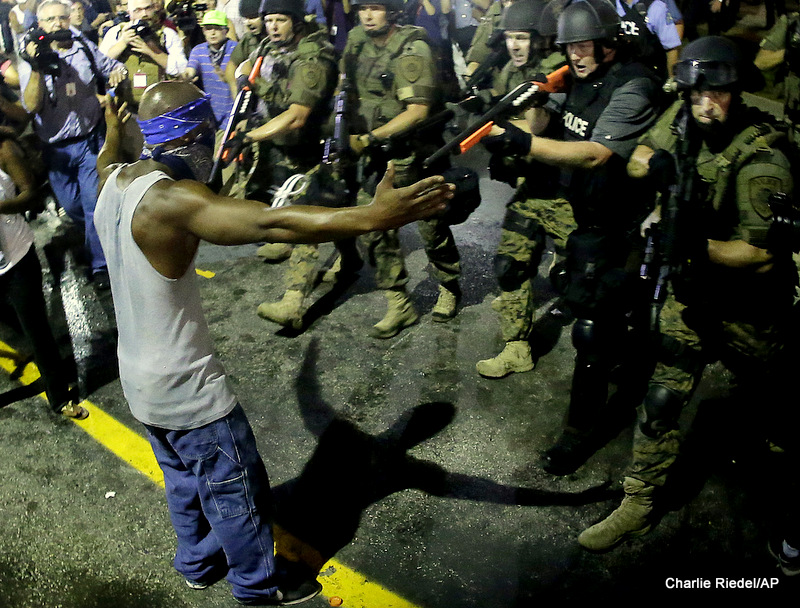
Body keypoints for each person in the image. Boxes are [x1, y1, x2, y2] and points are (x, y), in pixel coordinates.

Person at [93, 79, 451, 605]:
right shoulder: (174, 201)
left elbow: (107, 153)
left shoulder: (113, 179)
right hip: (188, 392)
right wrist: (372, 218)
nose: (213, 148)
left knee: (184, 480)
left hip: (138, 382)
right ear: (195, 135)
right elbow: (272, 221)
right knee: (237, 491)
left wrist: (110, 127)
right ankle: (259, 587)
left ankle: (195, 561)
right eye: (209, 135)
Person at [576, 36, 797, 552]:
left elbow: (760, 254)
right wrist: (657, 166)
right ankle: (639, 500)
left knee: (779, 415)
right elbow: (637, 155)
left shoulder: (763, 155)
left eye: (716, 94)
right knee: (661, 395)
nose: (704, 104)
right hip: (692, 293)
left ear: (736, 92)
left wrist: (695, 244)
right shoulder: (682, 118)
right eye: (697, 92)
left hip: (751, 309)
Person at [482, 0, 661, 474]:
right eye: (569, 47)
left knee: (594, 333)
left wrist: (524, 142)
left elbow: (594, 155)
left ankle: (577, 434)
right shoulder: (573, 79)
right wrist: (517, 117)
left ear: (607, 44)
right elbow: (547, 118)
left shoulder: (633, 86)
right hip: (587, 216)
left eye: (584, 45)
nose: (576, 55)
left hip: (625, 224)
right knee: (589, 305)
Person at [334, 0, 463, 337]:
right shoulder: (357, 41)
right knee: (376, 227)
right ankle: (399, 302)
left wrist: (369, 138)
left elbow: (417, 110)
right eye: (362, 8)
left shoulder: (412, 47)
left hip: (410, 153)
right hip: (373, 154)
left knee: (430, 228)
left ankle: (448, 284)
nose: (366, 14)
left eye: (375, 8)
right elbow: (344, 87)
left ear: (391, 11)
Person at [474, 0, 575, 379]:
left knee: (587, 278)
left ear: (541, 39)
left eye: (523, 38)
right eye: (511, 38)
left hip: (568, 193)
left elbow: (531, 125)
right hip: (534, 190)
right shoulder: (507, 70)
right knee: (509, 263)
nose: (515, 45)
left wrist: (501, 121)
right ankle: (517, 346)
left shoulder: (554, 73)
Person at [18, 0, 128, 289]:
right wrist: (38, 67)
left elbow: (110, 66)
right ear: (40, 25)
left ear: (69, 19)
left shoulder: (83, 45)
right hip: (57, 150)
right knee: (74, 206)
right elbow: (30, 105)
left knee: (94, 205)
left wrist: (118, 73)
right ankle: (95, 236)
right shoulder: (30, 56)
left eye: (62, 18)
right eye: (51, 19)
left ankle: (101, 266)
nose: (58, 23)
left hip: (91, 139)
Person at [0, 127, 87, 420]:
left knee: (36, 329)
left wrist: (0, 207)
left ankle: (59, 396)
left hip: (16, 259)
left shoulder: (5, 150)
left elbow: (32, 197)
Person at [99, 0, 188, 111]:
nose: (144, 14)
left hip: (159, 108)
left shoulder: (167, 34)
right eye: (138, 10)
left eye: (148, 8)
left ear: (154, 9)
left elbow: (182, 69)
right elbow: (99, 65)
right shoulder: (116, 33)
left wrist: (152, 52)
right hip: (126, 108)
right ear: (129, 12)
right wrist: (122, 43)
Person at [182, 9, 236, 130]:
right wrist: (187, 75)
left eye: (217, 28)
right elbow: (191, 69)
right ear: (203, 31)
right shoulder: (198, 50)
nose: (212, 32)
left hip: (232, 114)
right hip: (211, 115)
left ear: (226, 31)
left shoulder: (235, 49)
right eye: (208, 28)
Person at [614, 0, 681, 76]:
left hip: (648, 73)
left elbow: (672, 47)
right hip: (615, 70)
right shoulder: (608, 4)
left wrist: (671, 79)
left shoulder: (655, 7)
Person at [224, 0, 266, 100]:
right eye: (245, 18)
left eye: (253, 17)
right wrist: (237, 97)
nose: (248, 23)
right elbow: (231, 67)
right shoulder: (249, 39)